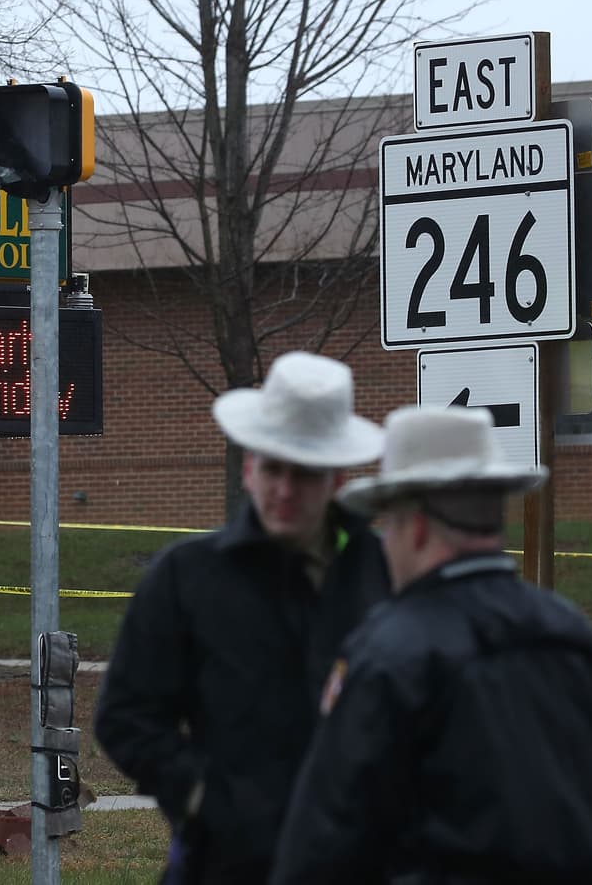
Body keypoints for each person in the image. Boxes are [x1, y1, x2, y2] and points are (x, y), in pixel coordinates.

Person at [270, 405, 592, 885]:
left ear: (415, 527)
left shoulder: (388, 651)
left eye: (388, 527)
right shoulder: (574, 635)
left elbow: (325, 834)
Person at [94, 350, 392, 883]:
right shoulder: (185, 576)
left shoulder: (386, 575)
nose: (284, 490)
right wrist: (203, 799)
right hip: (227, 865)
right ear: (250, 466)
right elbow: (126, 716)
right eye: (273, 467)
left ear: (338, 477)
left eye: (304, 475)